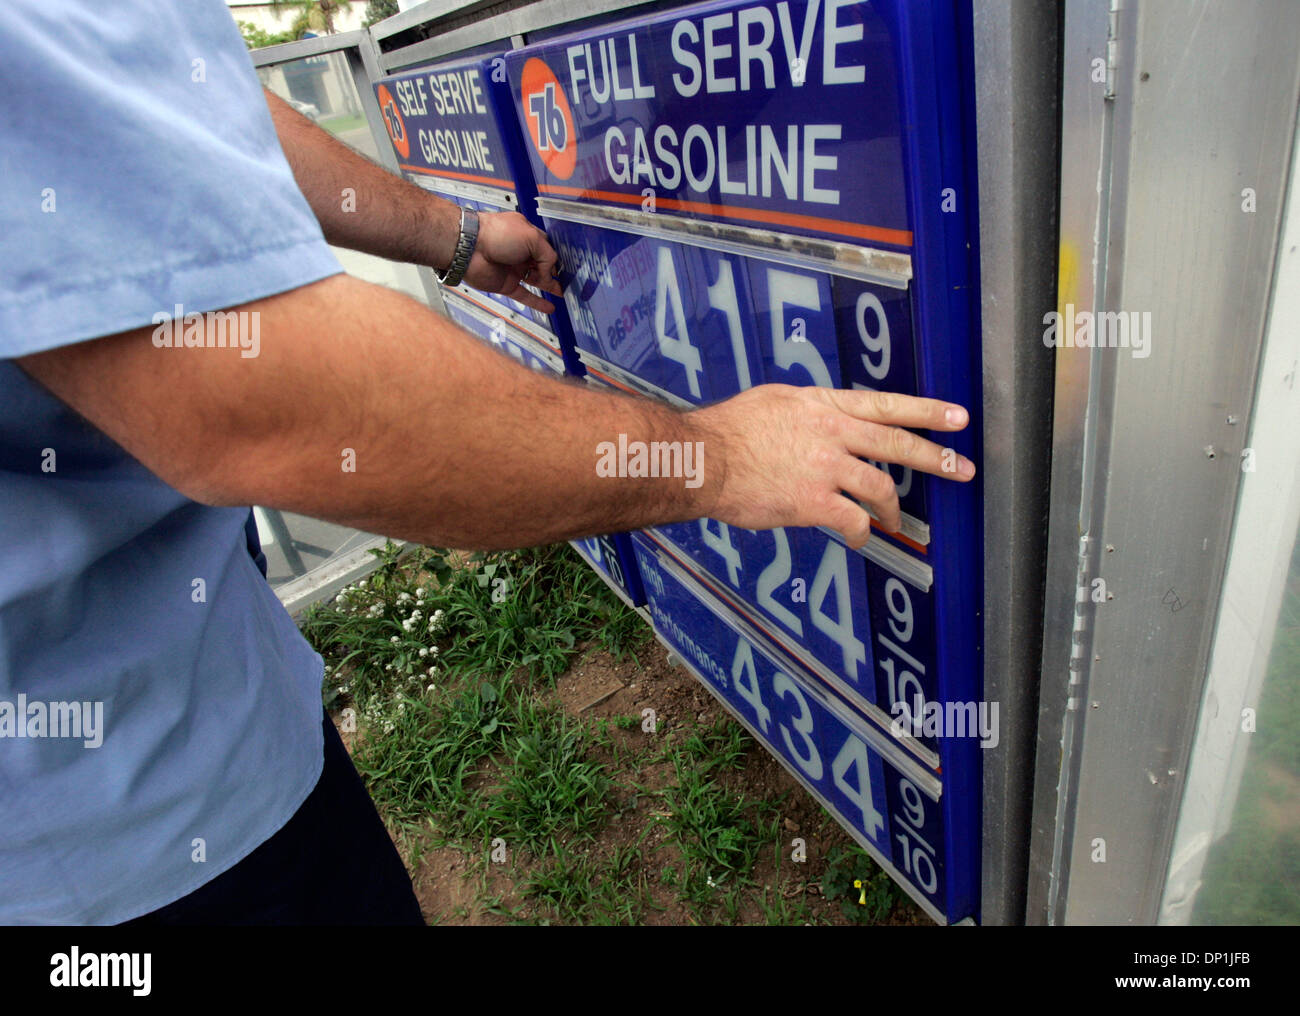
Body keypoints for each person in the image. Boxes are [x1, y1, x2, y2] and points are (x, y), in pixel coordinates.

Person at [0, 1, 975, 925]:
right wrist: (717, 455)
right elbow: (267, 407)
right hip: (126, 849)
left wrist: (452, 235)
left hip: (186, 731)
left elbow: (175, 106)